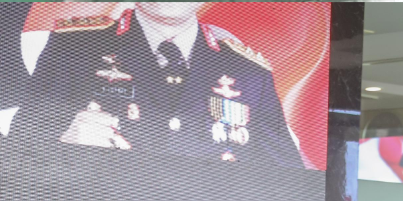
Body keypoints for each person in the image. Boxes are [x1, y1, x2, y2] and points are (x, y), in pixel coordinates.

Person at [17, 2, 302, 167]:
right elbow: (17, 154)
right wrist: (63, 143)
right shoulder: (74, 47)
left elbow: (290, 182)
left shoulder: (251, 73)